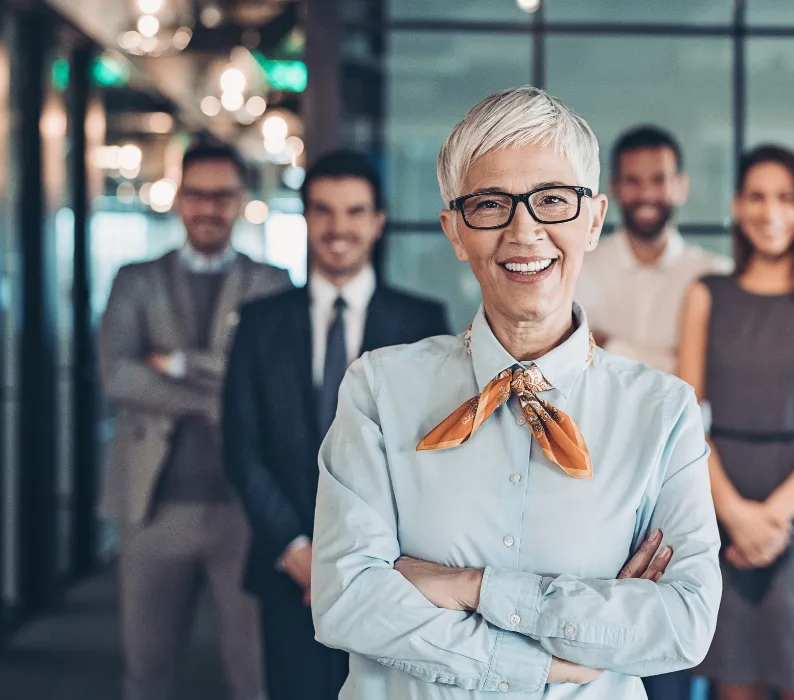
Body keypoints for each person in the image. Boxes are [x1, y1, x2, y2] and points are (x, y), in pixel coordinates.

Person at [309, 86, 722, 699]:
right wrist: (559, 647)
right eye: (490, 204)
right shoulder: (377, 388)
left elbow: (683, 625)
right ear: (454, 230)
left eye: (552, 200)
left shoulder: (663, 412)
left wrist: (472, 588)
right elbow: (346, 600)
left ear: (593, 220)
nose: (524, 231)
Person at [223, 150, 450, 700]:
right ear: (305, 219)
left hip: (394, 572)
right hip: (288, 567)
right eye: (323, 211)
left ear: (378, 221)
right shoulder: (258, 323)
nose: (338, 228)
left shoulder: (423, 323)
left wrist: (375, 558)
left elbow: (434, 452)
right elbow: (241, 447)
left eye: (354, 212)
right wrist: (299, 552)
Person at [98, 142, 291, 700]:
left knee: (254, 672)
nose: (209, 208)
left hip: (244, 512)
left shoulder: (271, 282)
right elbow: (120, 376)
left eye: (222, 195)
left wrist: (180, 363)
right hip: (152, 507)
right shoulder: (134, 280)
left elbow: (266, 381)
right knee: (147, 667)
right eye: (197, 194)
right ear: (179, 199)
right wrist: (217, 398)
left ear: (241, 201)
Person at [679, 145, 794, 700]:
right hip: (723, 501)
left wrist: (771, 519)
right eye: (757, 197)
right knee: (733, 683)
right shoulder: (705, 295)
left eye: (787, 198)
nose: (771, 211)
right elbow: (685, 421)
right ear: (737, 206)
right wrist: (736, 515)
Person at [576, 126, 731, 375]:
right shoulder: (578, 270)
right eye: (633, 181)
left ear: (681, 187)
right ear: (614, 188)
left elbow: (713, 375)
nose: (646, 193)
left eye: (659, 179)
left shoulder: (715, 274)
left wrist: (609, 345)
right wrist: (676, 360)